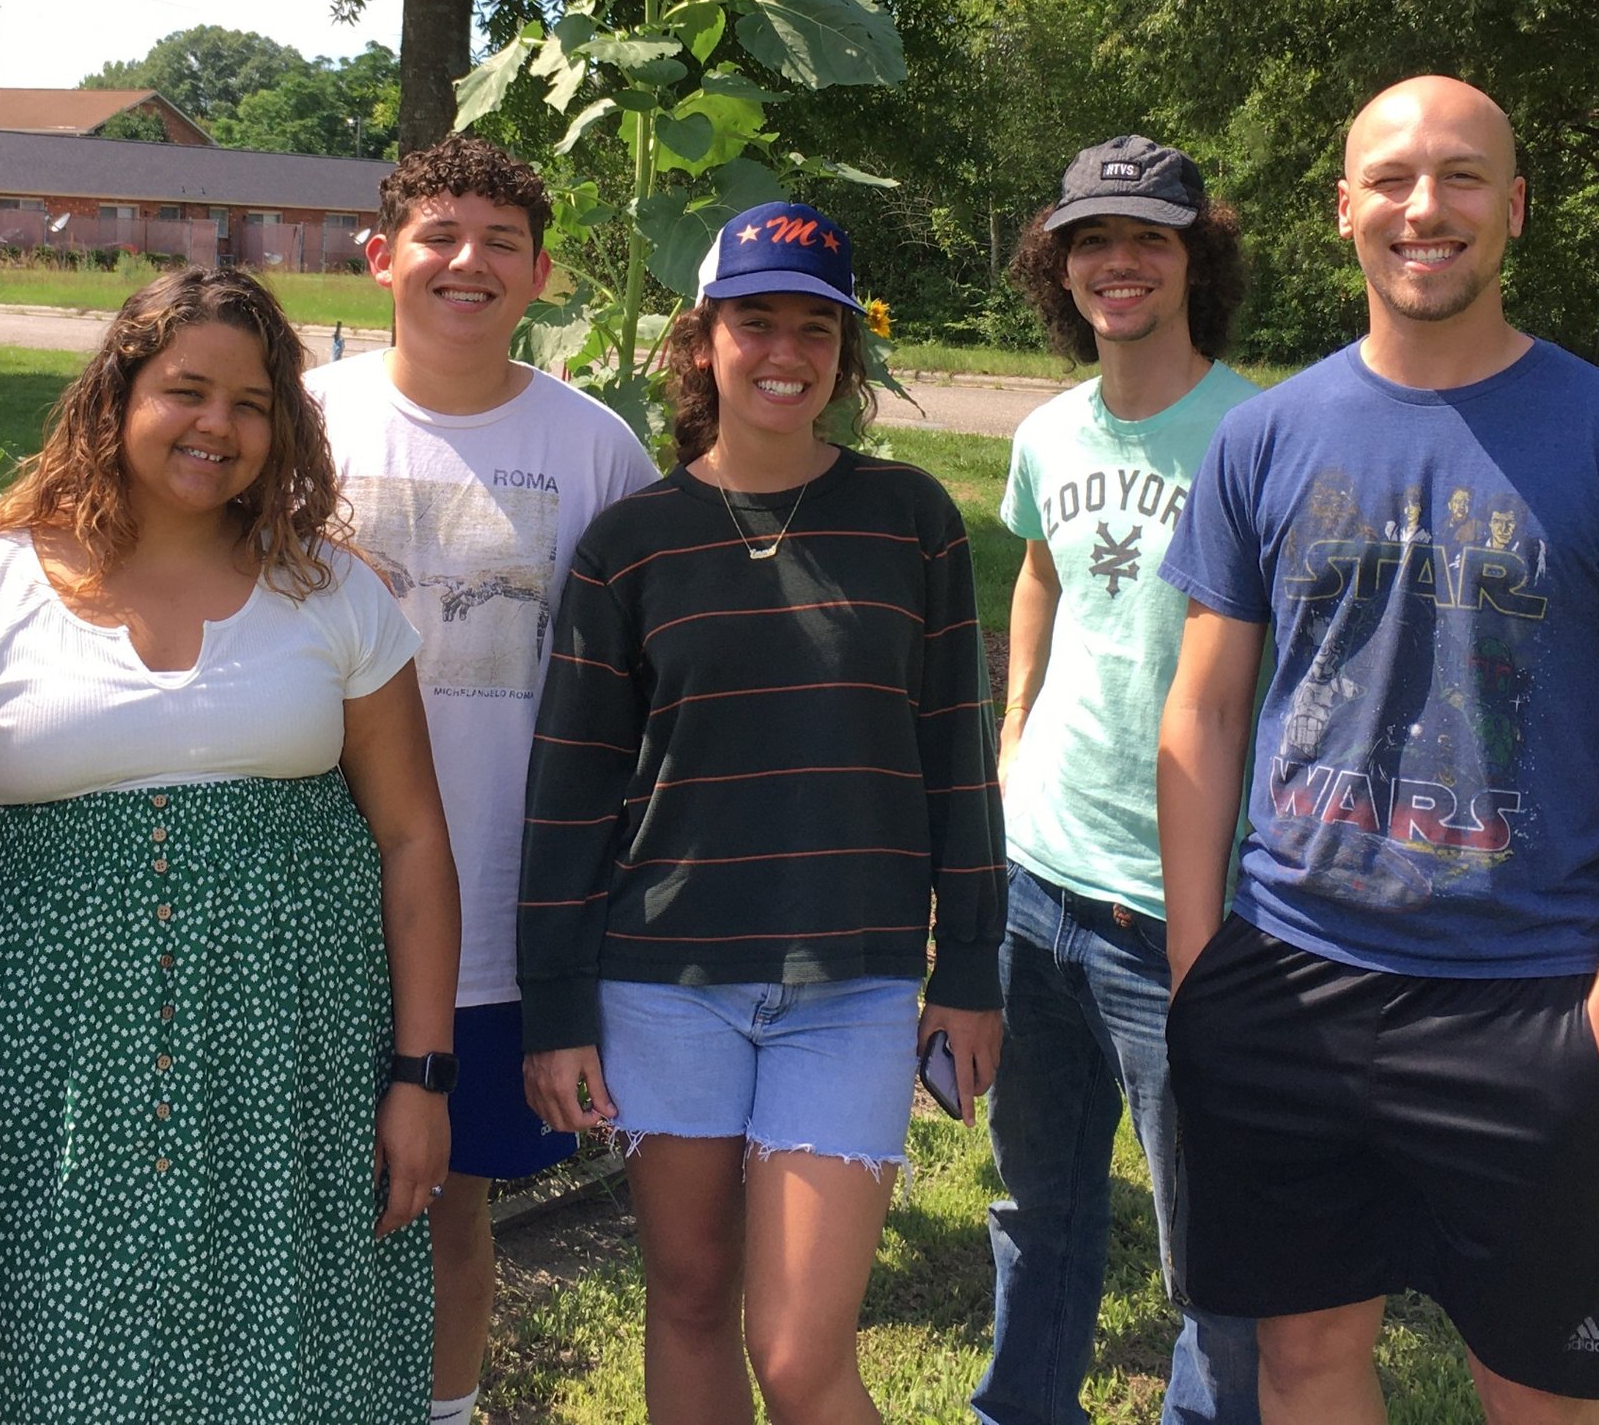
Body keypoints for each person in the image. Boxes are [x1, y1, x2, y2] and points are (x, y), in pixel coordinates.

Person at [1156, 76, 1599, 1423]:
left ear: (1518, 207)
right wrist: (1201, 965)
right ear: (1345, 211)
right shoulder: (1263, 437)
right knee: (1307, 1355)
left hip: (1528, 996)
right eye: (1393, 178)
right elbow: (1201, 708)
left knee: (1535, 1391)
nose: (1427, 207)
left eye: (1464, 175)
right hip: (1286, 978)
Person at [0, 264, 462, 1423]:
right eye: (186, 390)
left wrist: (420, 1074)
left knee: (289, 1362)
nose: (216, 426)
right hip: (43, 1089)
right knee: (55, 1366)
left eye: (250, 403)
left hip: (299, 1077)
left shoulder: (331, 593)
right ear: (116, 395)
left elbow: (413, 837)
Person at [520, 201, 1006, 1425]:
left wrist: (974, 970)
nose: (782, 351)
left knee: (796, 1352)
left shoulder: (910, 521)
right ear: (701, 343)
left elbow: (959, 755)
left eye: (813, 326)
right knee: (686, 1302)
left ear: (847, 351)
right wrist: (555, 1006)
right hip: (661, 978)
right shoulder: (627, 545)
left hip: (850, 979)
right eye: (753, 322)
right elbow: (573, 789)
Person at [308, 134, 656, 1425]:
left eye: (501, 242)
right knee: (301, 1194)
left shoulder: (594, 447)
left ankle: (446, 1409)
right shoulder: (304, 419)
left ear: (544, 272)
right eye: (441, 235)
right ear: (381, 256)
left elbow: (636, 679)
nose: (469, 262)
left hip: (504, 903)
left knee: (450, 1193)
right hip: (315, 888)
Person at [978, 136, 1261, 1425]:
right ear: (1060, 264)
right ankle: (1019, 1409)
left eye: (1148, 235)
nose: (1118, 260)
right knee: (1034, 1201)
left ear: (1197, 254)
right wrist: (1014, 724)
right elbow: (1038, 566)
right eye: (1093, 238)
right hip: (1036, 880)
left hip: (1180, 903)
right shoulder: (1045, 429)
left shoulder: (1258, 433)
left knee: (1210, 1251)